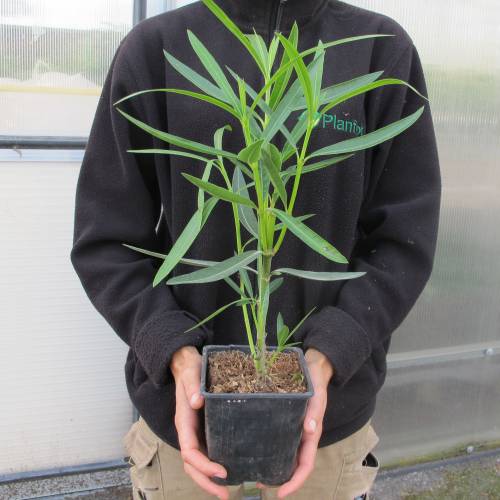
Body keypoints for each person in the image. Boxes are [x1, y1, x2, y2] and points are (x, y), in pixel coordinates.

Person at [70, 0, 442, 498]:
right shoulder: (156, 48)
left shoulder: (379, 51)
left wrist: (331, 352)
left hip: (330, 416)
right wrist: (174, 353)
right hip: (183, 416)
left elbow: (403, 239)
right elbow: (107, 240)